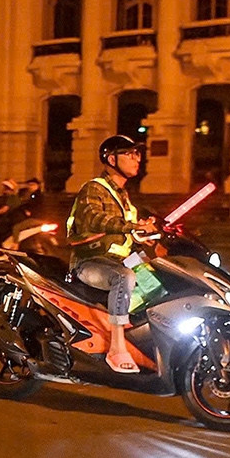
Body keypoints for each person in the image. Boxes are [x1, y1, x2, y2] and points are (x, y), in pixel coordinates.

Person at [65, 135, 156, 374]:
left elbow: (126, 234)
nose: (137, 158)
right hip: (90, 262)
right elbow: (95, 219)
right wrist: (132, 227)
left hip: (117, 259)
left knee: (155, 278)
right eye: (130, 153)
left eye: (138, 153)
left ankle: (144, 340)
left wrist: (144, 232)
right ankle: (116, 348)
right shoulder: (94, 189)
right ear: (112, 159)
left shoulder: (124, 198)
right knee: (124, 277)